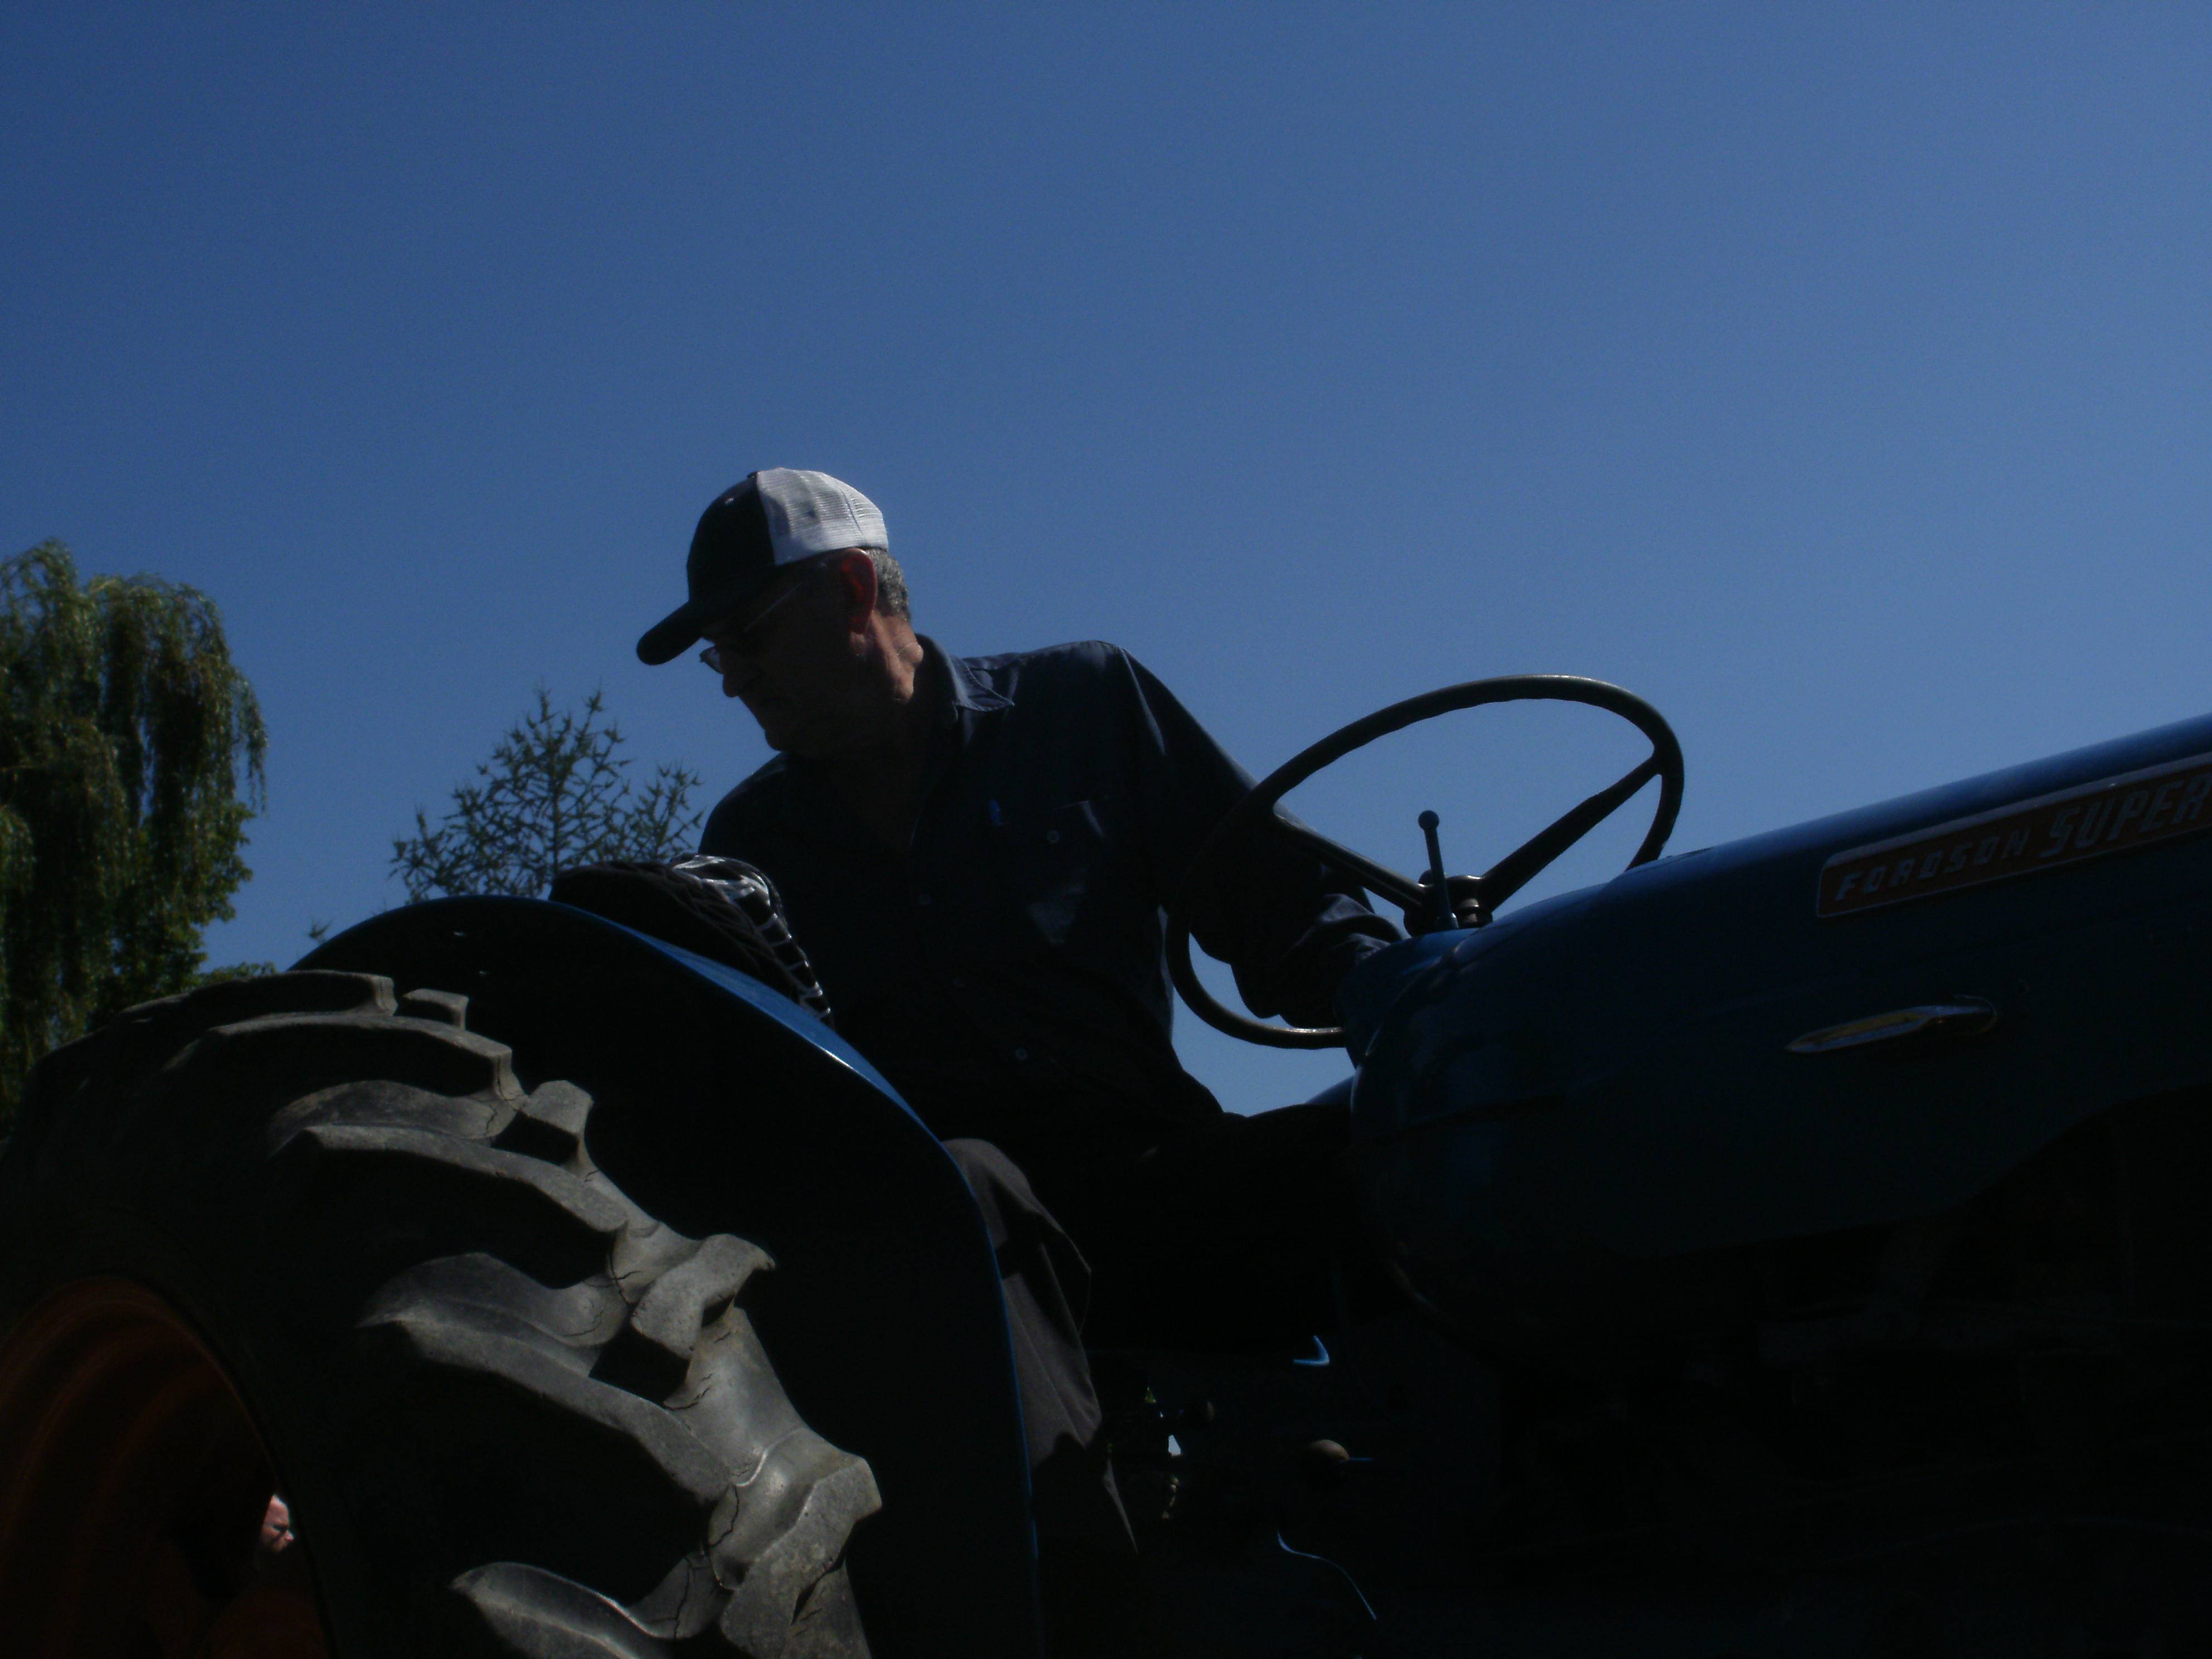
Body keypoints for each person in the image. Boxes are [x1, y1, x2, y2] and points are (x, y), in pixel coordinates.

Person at [637, 468, 1399, 1652]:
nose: (732, 676)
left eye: (747, 635)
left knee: (1406, 1141)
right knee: (966, 1183)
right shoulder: (751, 843)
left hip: (1161, 1175)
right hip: (958, 1244)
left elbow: (1279, 899)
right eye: (716, 655)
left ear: (854, 591)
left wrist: (1401, 1000)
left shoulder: (1085, 704)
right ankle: (1093, 1606)